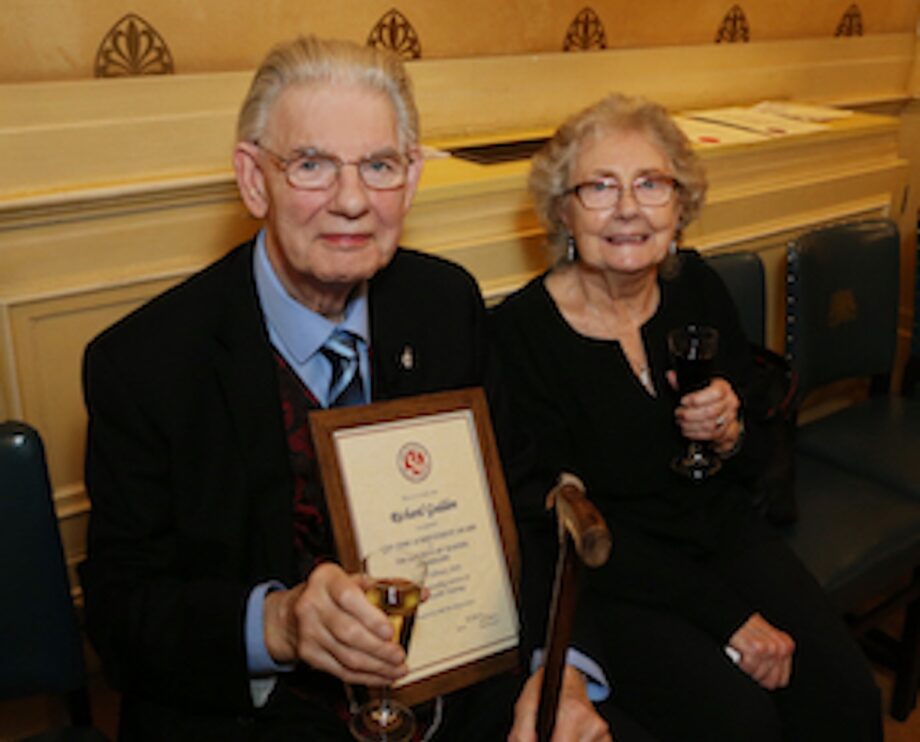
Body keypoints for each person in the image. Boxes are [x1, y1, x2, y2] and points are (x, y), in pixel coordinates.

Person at [79, 36, 610, 741]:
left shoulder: (445, 305)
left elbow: (527, 504)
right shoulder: (146, 363)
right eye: (311, 165)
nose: (353, 201)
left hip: (455, 694)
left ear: (412, 179)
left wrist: (561, 676)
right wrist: (277, 624)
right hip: (253, 715)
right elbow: (122, 614)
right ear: (252, 178)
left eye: (379, 166)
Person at [490, 93, 883, 741]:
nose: (628, 209)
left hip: (725, 535)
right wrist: (729, 619)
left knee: (847, 694)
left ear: (680, 206)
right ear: (561, 210)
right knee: (744, 725)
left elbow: (757, 461)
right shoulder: (520, 334)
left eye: (651, 184)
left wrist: (732, 434)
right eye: (599, 187)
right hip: (615, 579)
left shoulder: (696, 287)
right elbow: (561, 530)